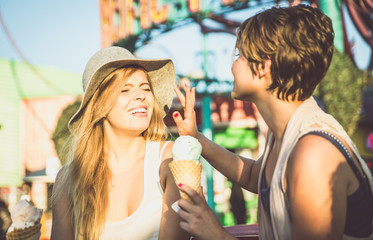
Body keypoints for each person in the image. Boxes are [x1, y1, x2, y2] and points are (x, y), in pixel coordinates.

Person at [172, 4, 373, 240]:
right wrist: (197, 138)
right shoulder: (286, 132)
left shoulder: (312, 153)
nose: (233, 65)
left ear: (263, 67)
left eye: (239, 55)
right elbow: (251, 176)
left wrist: (217, 234)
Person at [51, 46, 190, 240]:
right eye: (125, 89)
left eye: (146, 88)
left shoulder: (170, 159)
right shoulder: (67, 180)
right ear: (99, 105)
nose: (141, 96)